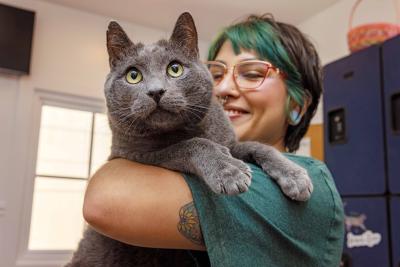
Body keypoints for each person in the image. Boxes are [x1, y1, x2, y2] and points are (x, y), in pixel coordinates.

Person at [83, 14, 344, 266]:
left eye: (252, 73)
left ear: (297, 106)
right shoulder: (217, 153)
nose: (222, 89)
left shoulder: (312, 189)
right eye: (216, 74)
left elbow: (104, 200)